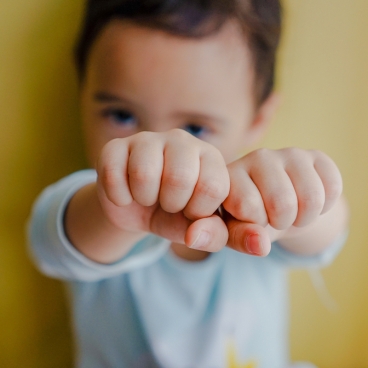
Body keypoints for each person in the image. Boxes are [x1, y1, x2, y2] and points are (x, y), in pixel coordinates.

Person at [27, 0, 349, 367]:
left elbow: (329, 231)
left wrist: (294, 198)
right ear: (81, 92)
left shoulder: (257, 204)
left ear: (258, 119)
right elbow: (51, 244)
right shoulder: (90, 201)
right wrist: (116, 209)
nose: (161, 151)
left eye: (195, 128)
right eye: (121, 114)